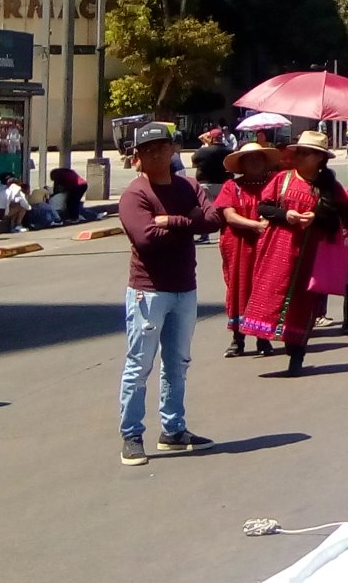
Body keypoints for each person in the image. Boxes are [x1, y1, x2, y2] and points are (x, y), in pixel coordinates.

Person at [116, 123, 219, 465]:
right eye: (148, 150)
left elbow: (212, 219)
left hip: (184, 289)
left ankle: (173, 430)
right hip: (149, 291)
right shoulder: (136, 195)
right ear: (138, 157)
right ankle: (131, 435)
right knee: (139, 366)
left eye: (162, 147)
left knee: (178, 364)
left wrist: (170, 222)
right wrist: (187, 223)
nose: (156, 154)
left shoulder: (188, 186)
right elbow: (145, 239)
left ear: (174, 150)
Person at [238, 138, 326, 376]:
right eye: (299, 152)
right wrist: (286, 214)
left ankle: (297, 353)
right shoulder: (282, 179)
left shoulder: (327, 186)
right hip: (279, 247)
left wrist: (316, 216)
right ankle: (264, 341)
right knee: (271, 293)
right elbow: (263, 208)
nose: (299, 157)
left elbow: (339, 215)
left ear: (319, 158)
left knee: (302, 302)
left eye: (306, 153)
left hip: (310, 252)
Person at [214, 140, 284, 357]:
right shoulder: (231, 187)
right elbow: (229, 215)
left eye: (258, 158)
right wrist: (256, 225)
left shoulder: (274, 184)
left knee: (265, 288)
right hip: (239, 246)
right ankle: (238, 338)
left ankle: (263, 338)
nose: (254, 162)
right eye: (248, 159)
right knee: (239, 288)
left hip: (269, 247)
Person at [0, 169, 32, 234]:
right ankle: (18, 225)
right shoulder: (15, 189)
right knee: (21, 207)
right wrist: (30, 208)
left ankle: (13, 226)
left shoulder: (2, 189)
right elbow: (24, 204)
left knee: (16, 206)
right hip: (1, 213)